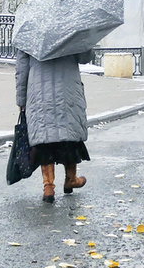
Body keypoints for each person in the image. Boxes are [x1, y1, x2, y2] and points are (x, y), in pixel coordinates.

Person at [15, 49, 91, 203]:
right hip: (68, 90)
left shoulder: (30, 32)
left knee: (45, 136)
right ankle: (71, 179)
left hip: (39, 92)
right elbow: (84, 57)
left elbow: (22, 68)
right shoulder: (71, 28)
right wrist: (86, 44)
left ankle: (48, 187)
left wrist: (21, 100)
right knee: (70, 136)